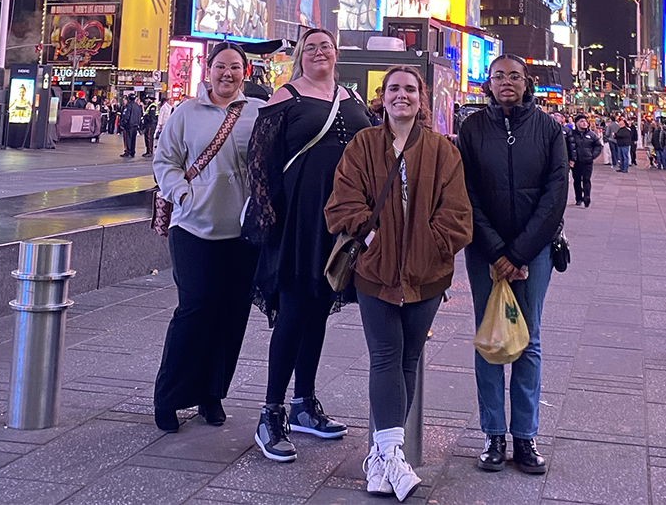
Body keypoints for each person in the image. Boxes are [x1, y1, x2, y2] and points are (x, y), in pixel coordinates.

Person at [324, 66, 474, 501]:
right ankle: (391, 453)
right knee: (385, 356)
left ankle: (381, 457)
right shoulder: (364, 144)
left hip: (427, 276)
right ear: (382, 97)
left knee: (408, 358)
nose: (402, 96)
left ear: (421, 98)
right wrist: (370, 239)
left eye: (410, 89)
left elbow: (458, 213)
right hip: (375, 271)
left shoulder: (444, 151)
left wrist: (432, 244)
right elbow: (342, 200)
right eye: (394, 89)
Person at [242, 28, 369, 462]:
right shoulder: (285, 97)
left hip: (338, 223)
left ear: (336, 54)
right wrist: (267, 216)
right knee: (294, 313)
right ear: (301, 56)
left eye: (326, 46)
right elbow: (258, 160)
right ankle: (270, 412)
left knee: (318, 310)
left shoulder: (351, 98)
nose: (319, 52)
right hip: (298, 220)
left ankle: (303, 404)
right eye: (311, 47)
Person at [456, 54, 567, 475]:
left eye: (514, 76)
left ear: (527, 82)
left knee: (529, 340)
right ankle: (493, 434)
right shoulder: (472, 129)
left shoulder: (549, 129)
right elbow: (466, 194)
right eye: (498, 75)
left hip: (533, 252)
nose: (506, 82)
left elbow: (556, 194)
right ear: (488, 83)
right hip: (484, 251)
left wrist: (519, 254)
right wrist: (497, 251)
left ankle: (525, 436)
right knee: (489, 338)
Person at [153, 45, 265, 433]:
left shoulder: (256, 113)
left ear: (245, 71)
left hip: (241, 234)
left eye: (235, 67)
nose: (227, 74)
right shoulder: (186, 113)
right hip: (193, 229)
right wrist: (182, 193)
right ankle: (168, 397)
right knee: (194, 310)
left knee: (232, 316)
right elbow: (164, 160)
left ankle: (211, 396)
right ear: (209, 70)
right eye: (221, 67)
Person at [565, 117, 602, 207]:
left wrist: (592, 155)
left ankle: (587, 197)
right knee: (577, 180)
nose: (584, 123)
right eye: (581, 121)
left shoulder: (591, 135)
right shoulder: (572, 135)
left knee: (586, 180)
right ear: (577, 124)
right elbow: (568, 146)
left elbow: (598, 146)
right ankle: (578, 198)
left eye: (585, 121)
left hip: (587, 161)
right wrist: (570, 158)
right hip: (576, 162)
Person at [118, 92, 143, 158]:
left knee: (128, 139)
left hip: (129, 125)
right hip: (135, 125)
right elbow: (140, 115)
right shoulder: (137, 106)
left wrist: (122, 123)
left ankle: (128, 152)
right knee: (133, 139)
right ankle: (132, 152)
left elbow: (126, 115)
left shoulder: (128, 106)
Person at [141, 93, 160, 157]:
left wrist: (146, 117)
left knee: (149, 138)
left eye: (147, 99)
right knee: (147, 137)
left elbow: (151, 116)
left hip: (150, 124)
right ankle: (148, 151)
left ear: (150, 99)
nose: (146, 100)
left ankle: (149, 151)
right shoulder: (150, 105)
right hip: (148, 124)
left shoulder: (153, 106)